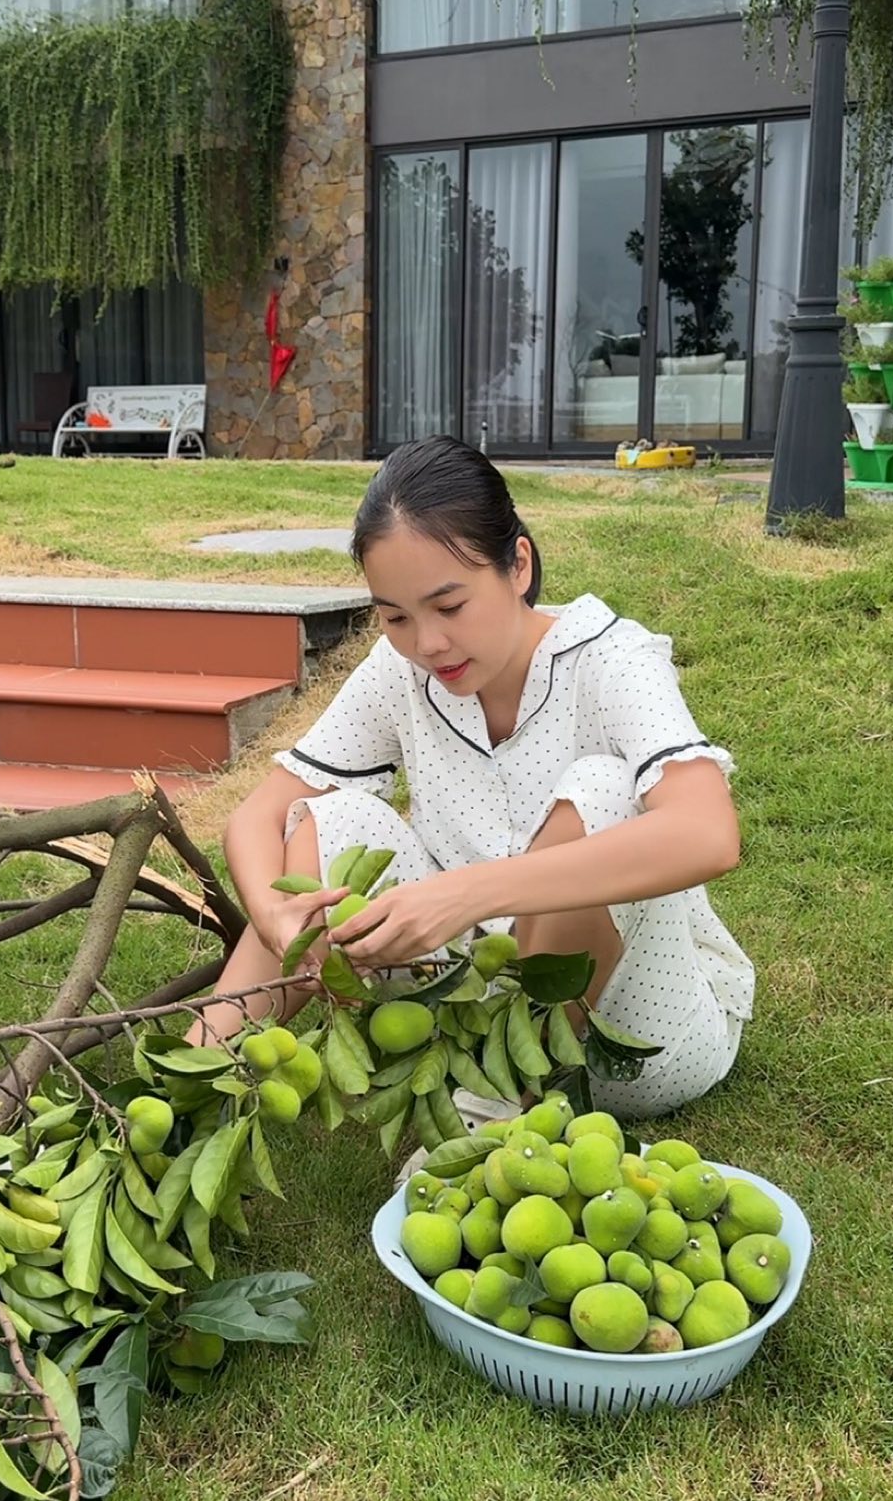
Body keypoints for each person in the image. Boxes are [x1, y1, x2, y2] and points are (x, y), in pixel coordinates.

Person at [197, 436, 754, 1119]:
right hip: (463, 1017)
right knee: (327, 818)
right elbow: (261, 815)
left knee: (605, 790)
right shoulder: (402, 669)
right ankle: (198, 1075)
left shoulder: (612, 657)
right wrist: (274, 914)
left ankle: (486, 1121)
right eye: (396, 616)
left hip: (636, 1032)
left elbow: (707, 834)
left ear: (517, 565)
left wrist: (461, 895)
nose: (427, 642)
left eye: (450, 607)